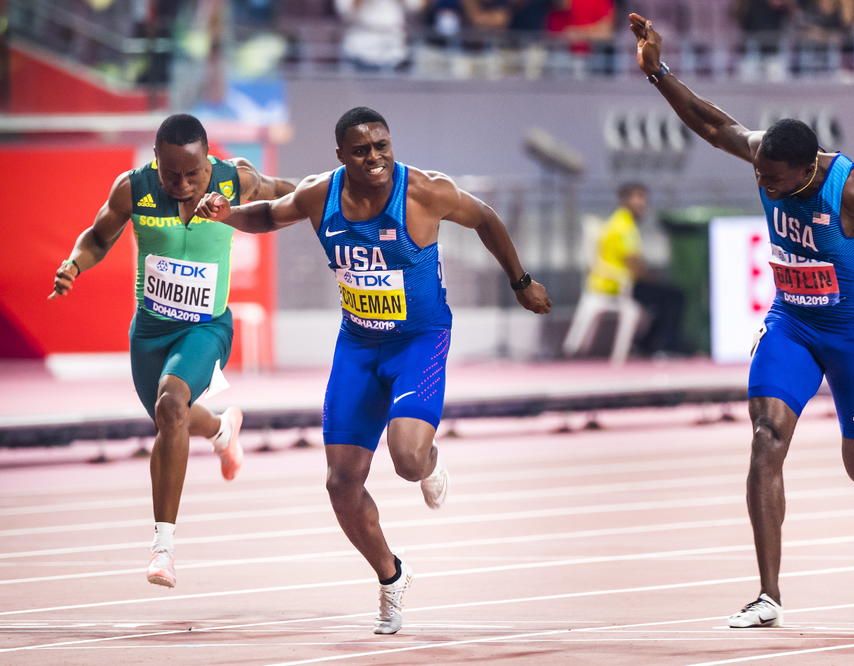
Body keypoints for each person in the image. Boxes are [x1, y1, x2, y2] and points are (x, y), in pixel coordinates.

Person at [628, 13, 854, 627]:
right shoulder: (764, 156)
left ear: (807, 170)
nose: (765, 186)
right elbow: (710, 122)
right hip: (792, 324)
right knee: (765, 439)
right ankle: (768, 594)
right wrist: (658, 74)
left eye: (775, 181)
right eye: (759, 175)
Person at [194, 106, 551, 635]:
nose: (375, 158)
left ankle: (430, 462)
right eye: (361, 150)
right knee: (341, 483)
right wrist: (224, 216)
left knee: (406, 460)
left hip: (418, 342)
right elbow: (269, 215)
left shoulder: (425, 191)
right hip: (358, 346)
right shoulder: (321, 194)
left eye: (382, 145)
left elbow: (486, 219)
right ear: (341, 155)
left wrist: (521, 282)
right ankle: (391, 577)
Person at [49, 113, 296, 589]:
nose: (183, 184)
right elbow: (99, 237)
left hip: (206, 327)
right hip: (150, 331)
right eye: (172, 174)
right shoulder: (133, 188)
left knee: (170, 402)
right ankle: (222, 429)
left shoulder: (236, 178)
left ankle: (163, 548)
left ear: (209, 159)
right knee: (172, 416)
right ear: (156, 160)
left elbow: (292, 194)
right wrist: (73, 265)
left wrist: (346, 195)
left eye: (194, 173)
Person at [563, 182, 683, 362]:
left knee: (663, 297)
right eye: (638, 199)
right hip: (616, 286)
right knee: (673, 297)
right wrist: (653, 278)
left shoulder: (619, 223)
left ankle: (647, 344)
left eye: (644, 199)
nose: (643, 204)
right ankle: (660, 347)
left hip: (612, 284)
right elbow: (634, 265)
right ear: (625, 201)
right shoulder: (624, 227)